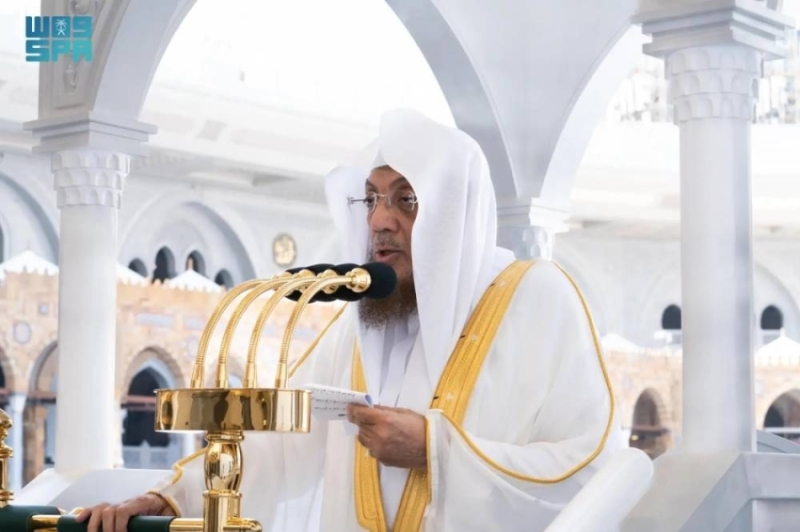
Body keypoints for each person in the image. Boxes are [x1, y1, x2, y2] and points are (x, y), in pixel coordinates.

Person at [77, 108, 622, 532]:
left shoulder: (537, 299)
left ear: (453, 213)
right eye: (371, 199)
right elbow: (277, 443)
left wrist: (435, 450)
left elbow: (589, 470)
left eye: (406, 199)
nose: (380, 220)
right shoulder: (363, 329)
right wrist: (166, 499)